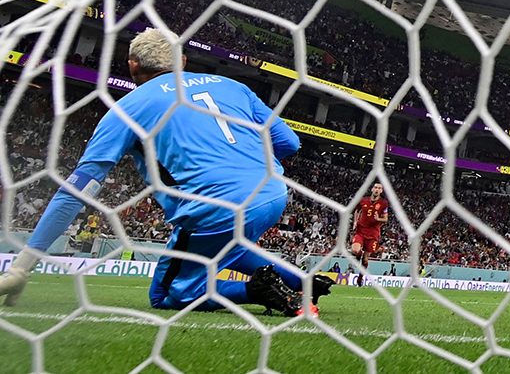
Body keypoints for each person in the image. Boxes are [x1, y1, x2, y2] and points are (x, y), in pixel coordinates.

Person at [0, 30, 329, 316]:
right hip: (271, 194)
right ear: (182, 60)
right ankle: (298, 280)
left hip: (212, 204)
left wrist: (22, 267)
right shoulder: (232, 86)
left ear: (132, 66)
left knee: (167, 295)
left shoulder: (127, 109)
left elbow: (78, 189)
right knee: (230, 244)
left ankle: (254, 291)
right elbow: (289, 141)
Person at [349, 181, 388, 286]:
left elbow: (385, 219)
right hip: (361, 230)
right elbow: (357, 210)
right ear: (372, 189)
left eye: (379, 188)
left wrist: (378, 218)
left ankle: (360, 278)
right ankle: (358, 255)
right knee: (354, 250)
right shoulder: (363, 201)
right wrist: (355, 221)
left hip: (373, 233)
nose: (377, 189)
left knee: (366, 259)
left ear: (381, 191)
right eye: (375, 187)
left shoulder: (383, 203)